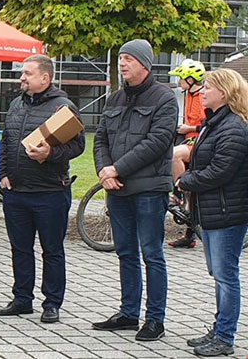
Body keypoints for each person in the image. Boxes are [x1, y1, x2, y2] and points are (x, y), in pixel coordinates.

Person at [92, 39, 178, 341]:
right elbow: (100, 139)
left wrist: (118, 169)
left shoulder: (164, 98)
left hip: (149, 189)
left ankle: (155, 319)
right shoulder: (113, 99)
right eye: (119, 58)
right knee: (125, 252)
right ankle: (129, 312)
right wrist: (105, 172)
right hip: (117, 189)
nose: (122, 63)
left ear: (145, 63)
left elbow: (158, 142)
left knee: (151, 254)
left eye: (128, 58)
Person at [0, 55, 85, 323]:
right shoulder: (15, 104)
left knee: (52, 250)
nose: (22, 77)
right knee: (20, 249)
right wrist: (2, 174)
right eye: (23, 73)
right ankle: (22, 299)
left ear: (45, 78)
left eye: (27, 73)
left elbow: (78, 146)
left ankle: (52, 303)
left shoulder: (63, 108)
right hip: (17, 192)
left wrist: (50, 153)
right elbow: (6, 141)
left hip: (50, 193)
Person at [177, 68, 248, 357]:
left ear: (225, 92)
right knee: (219, 274)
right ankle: (219, 329)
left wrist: (184, 181)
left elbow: (220, 171)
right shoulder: (214, 123)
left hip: (227, 213)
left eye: (208, 87)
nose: (202, 91)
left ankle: (225, 337)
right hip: (213, 210)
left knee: (225, 275)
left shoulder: (233, 127)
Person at [167, 59, 206, 248]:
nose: (179, 81)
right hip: (188, 139)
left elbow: (207, 124)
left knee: (175, 155)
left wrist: (188, 127)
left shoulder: (202, 97)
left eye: (181, 78)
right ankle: (189, 237)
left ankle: (178, 192)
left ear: (191, 79)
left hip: (198, 142)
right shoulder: (189, 95)